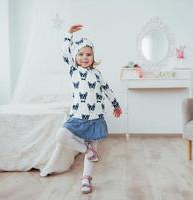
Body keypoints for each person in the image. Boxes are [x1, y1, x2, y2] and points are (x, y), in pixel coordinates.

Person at [57, 24, 122, 194]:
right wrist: (68, 35)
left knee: (92, 150)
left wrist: (116, 104)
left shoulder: (97, 74)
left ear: (93, 57)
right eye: (80, 54)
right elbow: (65, 53)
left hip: (95, 117)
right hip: (77, 116)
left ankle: (86, 179)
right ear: (75, 57)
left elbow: (107, 89)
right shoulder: (74, 71)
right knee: (62, 135)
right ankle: (86, 149)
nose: (85, 57)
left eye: (88, 54)